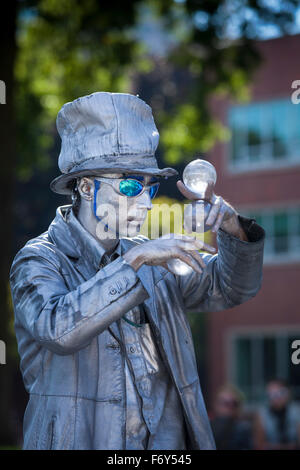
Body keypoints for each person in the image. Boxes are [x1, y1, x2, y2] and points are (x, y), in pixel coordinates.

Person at [10, 92, 265, 450]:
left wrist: (233, 227)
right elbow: (58, 329)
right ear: (85, 187)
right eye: (130, 185)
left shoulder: (153, 257)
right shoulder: (39, 259)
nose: (145, 201)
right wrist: (137, 262)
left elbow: (231, 288)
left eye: (150, 187)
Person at [254, 379, 300, 450]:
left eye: (281, 392)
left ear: (288, 393)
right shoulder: (262, 414)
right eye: (272, 394)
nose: (277, 397)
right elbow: (259, 444)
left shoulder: (296, 411)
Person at [210, 384, 253, 450]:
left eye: (234, 403)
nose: (230, 407)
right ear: (216, 405)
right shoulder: (208, 427)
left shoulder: (243, 429)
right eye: (226, 403)